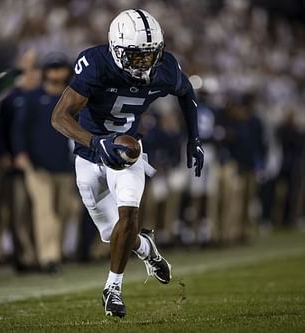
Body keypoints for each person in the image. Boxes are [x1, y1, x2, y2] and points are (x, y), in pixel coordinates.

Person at [51, 9, 204, 317]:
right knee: (112, 235)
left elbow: (187, 93)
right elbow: (59, 117)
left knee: (129, 213)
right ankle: (146, 248)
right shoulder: (96, 65)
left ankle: (113, 288)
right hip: (89, 154)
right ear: (117, 49)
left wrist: (195, 139)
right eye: (136, 56)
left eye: (149, 55)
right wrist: (95, 141)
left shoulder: (166, 69)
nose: (144, 63)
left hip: (128, 152)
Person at [11, 55, 80, 273]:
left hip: (65, 165)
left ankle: (56, 254)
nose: (57, 73)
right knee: (45, 211)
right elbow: (19, 127)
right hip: (37, 165)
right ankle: (48, 258)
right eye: (53, 68)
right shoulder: (33, 98)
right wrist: (20, 152)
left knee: (64, 211)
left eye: (61, 68)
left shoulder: (74, 99)